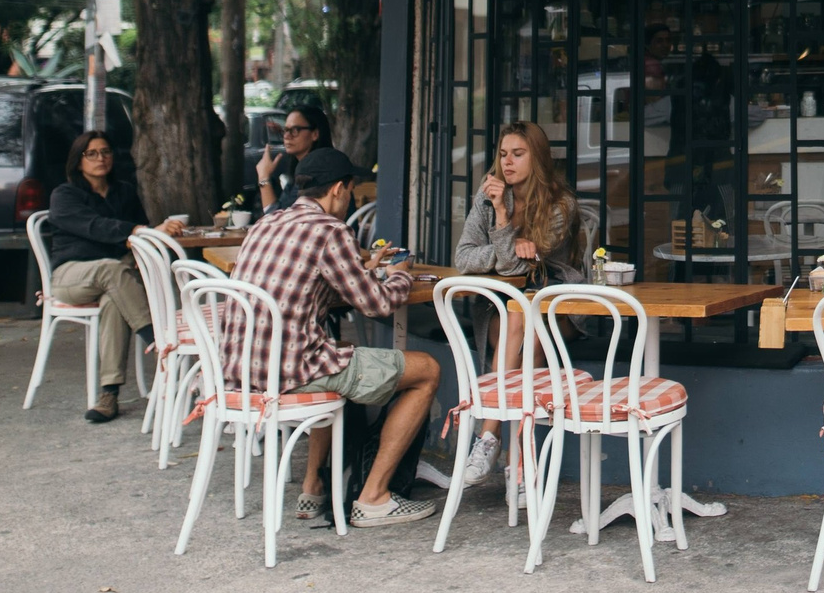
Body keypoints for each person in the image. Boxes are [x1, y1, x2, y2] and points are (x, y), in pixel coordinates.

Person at [226, 147, 438, 527]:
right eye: (351, 190)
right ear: (340, 188)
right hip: (289, 373)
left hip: (242, 372)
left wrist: (362, 267)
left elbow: (304, 281)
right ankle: (373, 498)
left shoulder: (266, 223)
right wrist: (400, 275)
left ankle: (313, 487)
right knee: (427, 370)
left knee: (335, 350)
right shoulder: (330, 231)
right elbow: (376, 304)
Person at [452, 120, 588, 484]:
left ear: (537, 157)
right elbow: (463, 258)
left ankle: (489, 435)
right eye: (502, 154)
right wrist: (504, 229)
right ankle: (521, 465)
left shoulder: (561, 205)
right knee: (520, 323)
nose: (507, 162)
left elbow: (516, 268)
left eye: (517, 154)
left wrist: (502, 228)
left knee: (528, 325)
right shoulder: (490, 195)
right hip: (506, 308)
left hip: (558, 306)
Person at [43, 130, 185, 424]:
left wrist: (149, 231)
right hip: (71, 275)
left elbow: (140, 229)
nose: (101, 158)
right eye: (92, 153)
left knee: (114, 299)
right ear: (78, 160)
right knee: (112, 270)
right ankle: (157, 340)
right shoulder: (64, 195)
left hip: (115, 278)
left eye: (105, 151)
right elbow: (96, 226)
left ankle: (109, 394)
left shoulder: (124, 191)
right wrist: (139, 232)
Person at [253, 105, 328, 218]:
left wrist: (264, 178)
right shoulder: (299, 171)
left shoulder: (316, 173)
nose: (287, 136)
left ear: (315, 134)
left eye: (295, 130)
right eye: (285, 130)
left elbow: (277, 220)